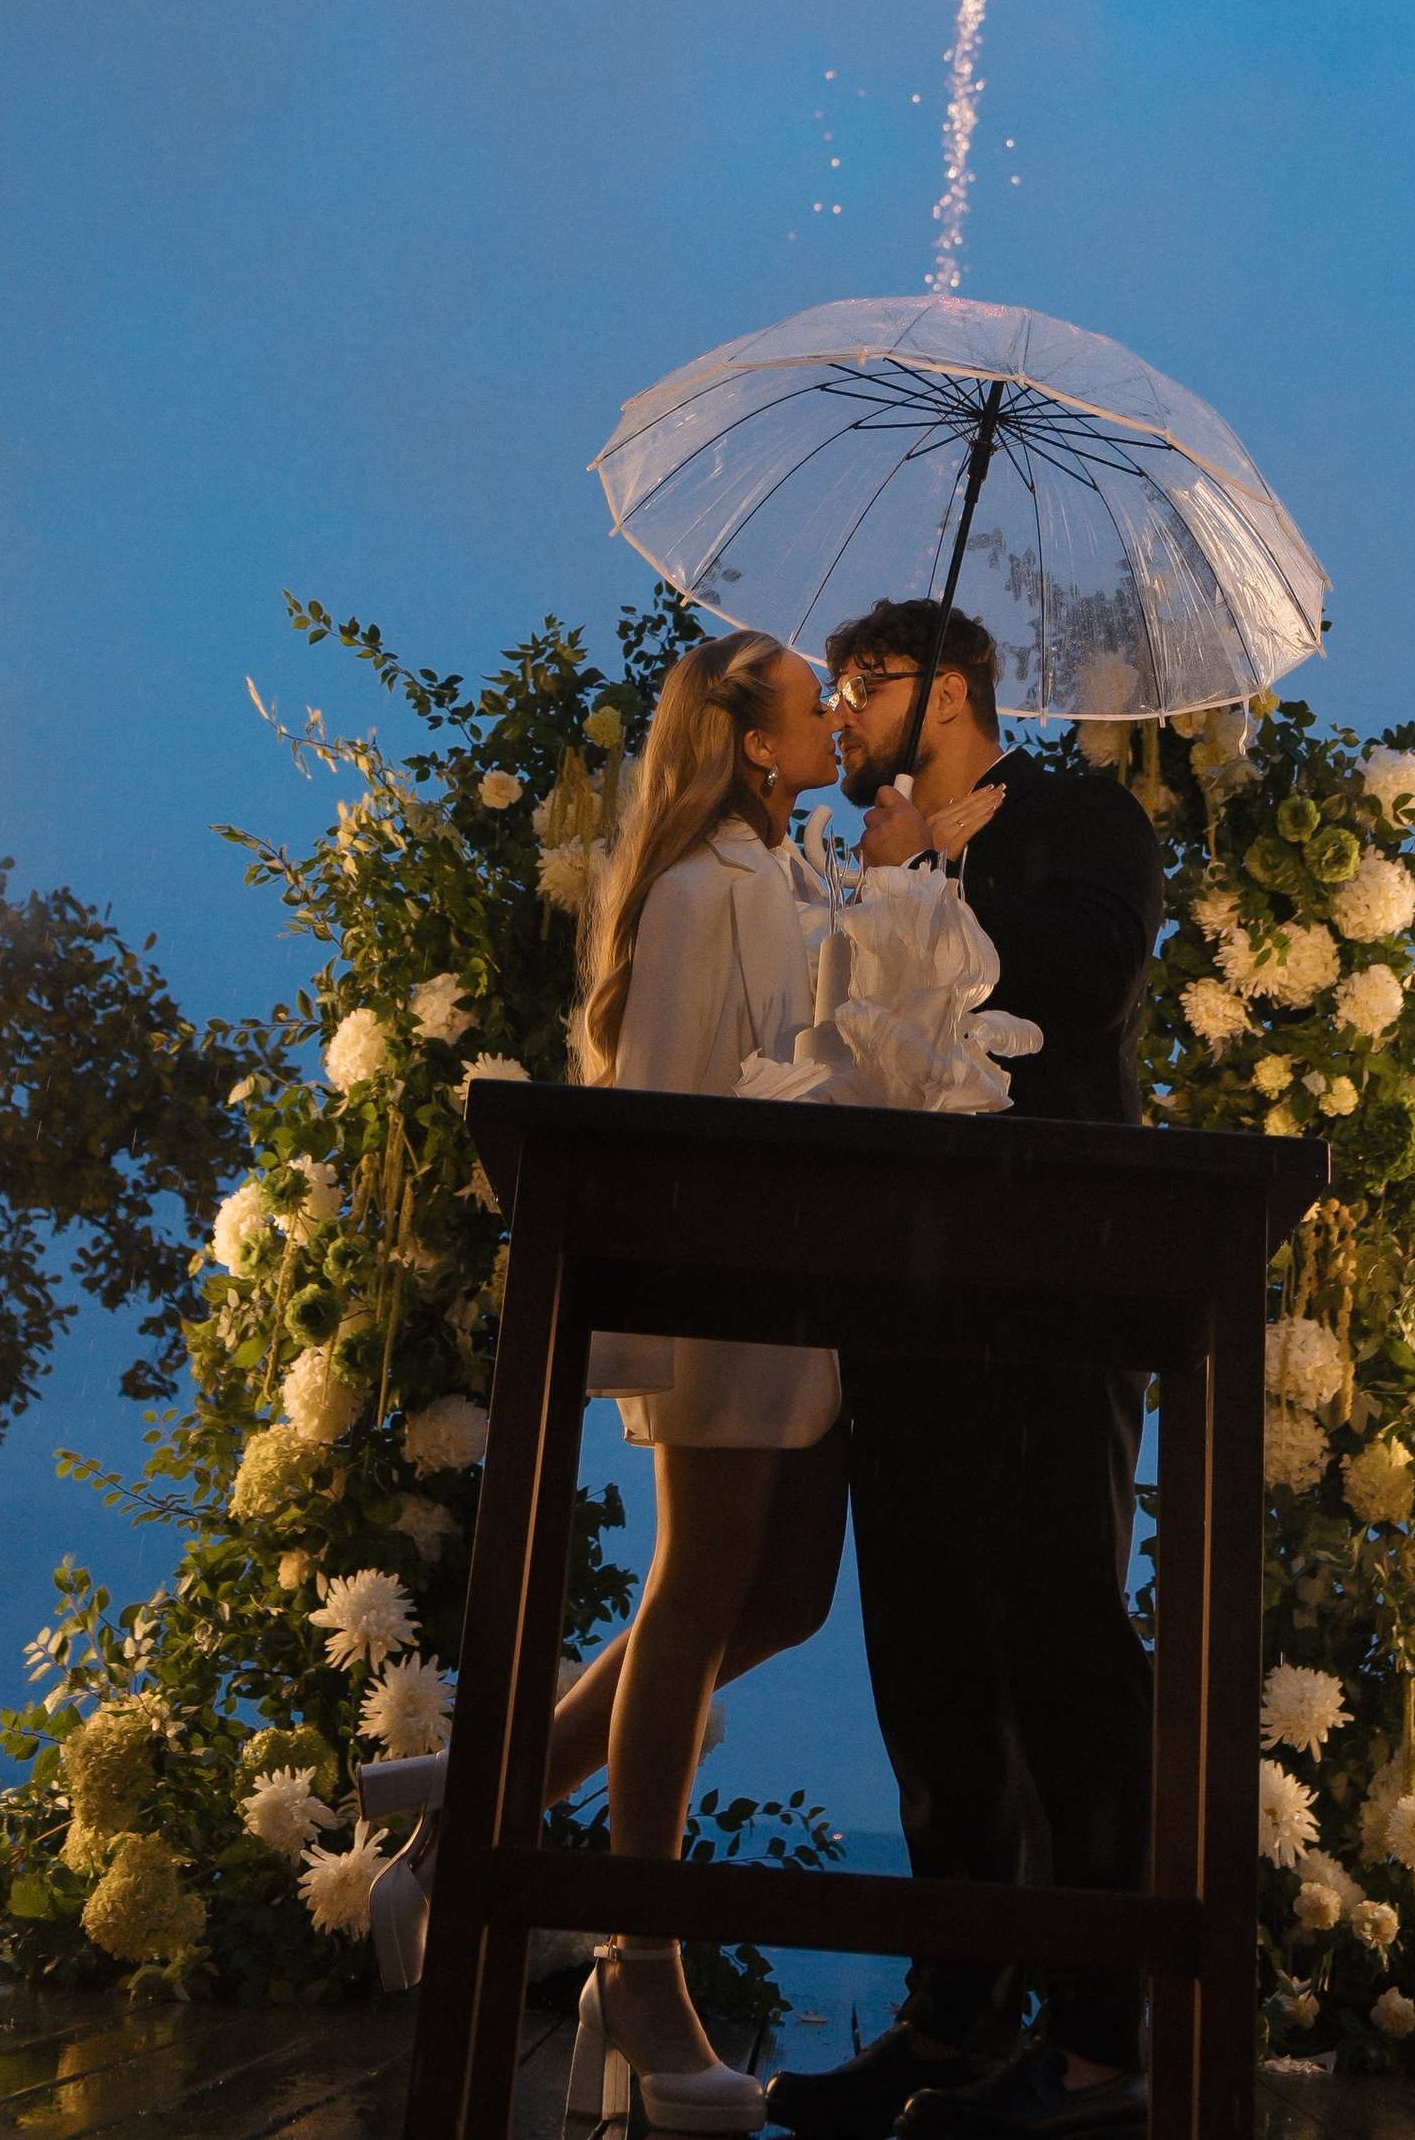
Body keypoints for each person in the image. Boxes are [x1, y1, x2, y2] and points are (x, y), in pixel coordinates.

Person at [767, 600, 1165, 2140]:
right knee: (922, 1651)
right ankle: (950, 2018)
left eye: (855, 689)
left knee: (1058, 1629)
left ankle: (1098, 2039)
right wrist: (868, 892)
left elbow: (1076, 989)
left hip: (1055, 1272)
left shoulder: (1081, 818)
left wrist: (921, 887)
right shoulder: (858, 846)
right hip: (903, 1281)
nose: (839, 715)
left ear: (939, 692)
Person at [545, 629, 849, 2135]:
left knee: (786, 1599)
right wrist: (656, 1326)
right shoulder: (691, 894)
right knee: (697, 1583)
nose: (839, 723)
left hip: (809, 1297)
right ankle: (637, 1960)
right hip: (724, 1293)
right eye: (816, 707)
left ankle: (481, 1808)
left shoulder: (800, 874)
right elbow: (663, 1100)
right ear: (748, 743)